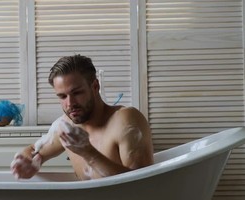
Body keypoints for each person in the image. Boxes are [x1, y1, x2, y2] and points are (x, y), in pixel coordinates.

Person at [11, 54, 154, 180]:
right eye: (62, 96)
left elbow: (142, 187)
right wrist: (26, 163)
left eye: (77, 93)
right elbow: (33, 151)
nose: (70, 104)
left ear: (95, 86)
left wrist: (88, 153)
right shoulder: (66, 127)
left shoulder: (125, 121)